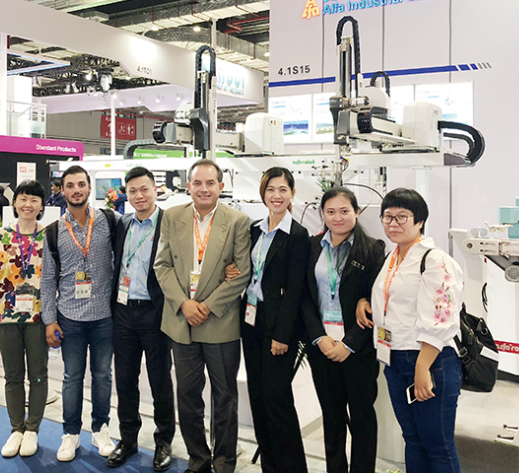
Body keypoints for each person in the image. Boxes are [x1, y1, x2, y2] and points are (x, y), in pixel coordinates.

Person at [356, 188, 464, 473]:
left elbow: (443, 317)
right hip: (394, 359)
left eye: (402, 216)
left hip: (429, 360)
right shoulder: (393, 256)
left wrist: (422, 367)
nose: (393, 223)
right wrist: (365, 301)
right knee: (413, 440)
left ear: (420, 221)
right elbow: (393, 297)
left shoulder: (435, 260)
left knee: (438, 446)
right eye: (387, 216)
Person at [154, 159, 251, 473]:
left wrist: (207, 306)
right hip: (181, 322)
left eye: (210, 183)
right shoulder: (172, 217)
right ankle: (198, 459)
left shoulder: (237, 221)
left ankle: (223, 461)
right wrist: (183, 303)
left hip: (219, 323)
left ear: (221, 187)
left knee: (225, 397)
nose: (204, 189)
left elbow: (242, 273)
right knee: (187, 395)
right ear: (188, 186)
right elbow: (162, 265)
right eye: (198, 183)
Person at [224, 167, 310, 473]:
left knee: (277, 400)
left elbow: (296, 290)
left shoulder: (297, 235)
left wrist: (282, 335)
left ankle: (294, 469)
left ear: (292, 194)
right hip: (251, 322)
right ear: (263, 193)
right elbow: (246, 269)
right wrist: (232, 270)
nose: (277, 195)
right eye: (271, 189)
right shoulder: (255, 230)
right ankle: (270, 467)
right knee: (258, 397)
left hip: (278, 329)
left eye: (283, 190)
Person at [301, 187, 385, 473]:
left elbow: (375, 303)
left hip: (357, 350)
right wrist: (319, 337)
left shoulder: (373, 250)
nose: (337, 217)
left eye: (344, 211)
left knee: (362, 418)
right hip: (322, 347)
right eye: (331, 211)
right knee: (332, 417)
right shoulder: (311, 247)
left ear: (357, 212)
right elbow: (305, 297)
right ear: (322, 214)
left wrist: (349, 344)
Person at [41, 165, 118, 462]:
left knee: (103, 375)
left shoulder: (109, 221)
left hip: (104, 316)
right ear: (62, 190)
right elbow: (48, 279)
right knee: (72, 377)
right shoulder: (53, 232)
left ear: (89, 187)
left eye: (81, 184)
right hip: (69, 317)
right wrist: (50, 320)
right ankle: (70, 433)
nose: (76, 190)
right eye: (70, 185)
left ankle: (100, 429)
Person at [107, 166, 174, 471]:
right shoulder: (122, 224)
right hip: (123, 312)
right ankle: (128, 440)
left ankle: (163, 442)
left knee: (160, 380)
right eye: (132, 191)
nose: (139, 196)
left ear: (155, 189)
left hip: (155, 313)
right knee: (125, 379)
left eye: (144, 189)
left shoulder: (170, 224)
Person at [0, 180, 48, 458]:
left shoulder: (48, 235)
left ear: (41, 205)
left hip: (38, 315)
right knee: (12, 376)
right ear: (14, 202)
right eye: (23, 198)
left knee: (38, 375)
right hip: (5, 314)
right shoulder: (1, 235)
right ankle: (16, 429)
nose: (28, 204)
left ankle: (32, 428)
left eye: (34, 199)